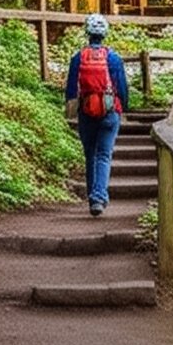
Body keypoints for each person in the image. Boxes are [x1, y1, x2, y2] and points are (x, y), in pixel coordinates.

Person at [65, 13, 129, 216]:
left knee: (90, 154)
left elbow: (70, 89)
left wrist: (71, 110)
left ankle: (93, 198)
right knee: (104, 154)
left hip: (86, 111)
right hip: (110, 111)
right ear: (104, 34)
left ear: (87, 33)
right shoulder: (114, 58)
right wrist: (123, 108)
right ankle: (99, 197)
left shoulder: (78, 57)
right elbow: (122, 88)